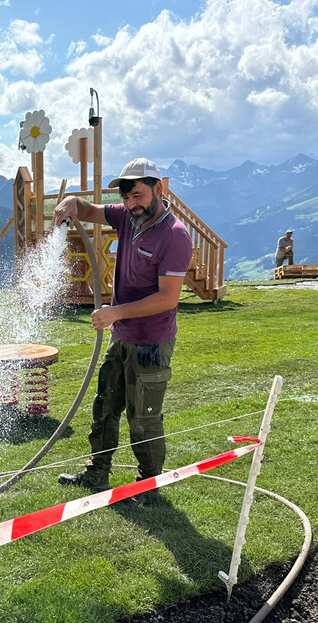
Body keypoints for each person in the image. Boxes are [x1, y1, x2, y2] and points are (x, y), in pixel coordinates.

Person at [53, 157, 193, 505]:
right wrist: (72, 204)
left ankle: (147, 487)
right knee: (104, 406)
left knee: (143, 418)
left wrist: (115, 312)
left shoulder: (174, 236)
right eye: (127, 197)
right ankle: (97, 473)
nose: (131, 204)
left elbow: (167, 298)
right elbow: (90, 209)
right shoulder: (129, 218)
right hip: (122, 338)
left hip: (151, 343)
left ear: (158, 190)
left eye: (139, 195)